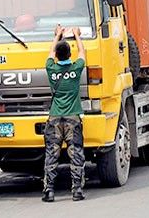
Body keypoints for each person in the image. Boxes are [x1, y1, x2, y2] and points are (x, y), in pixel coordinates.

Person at [42, 25, 86, 202]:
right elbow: (82, 54)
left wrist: (57, 35)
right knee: (75, 155)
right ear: (69, 55)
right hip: (73, 119)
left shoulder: (51, 69)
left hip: (54, 120)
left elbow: (50, 53)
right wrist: (76, 36)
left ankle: (49, 191)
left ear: (58, 56)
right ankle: (76, 191)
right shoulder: (75, 70)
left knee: (51, 156)